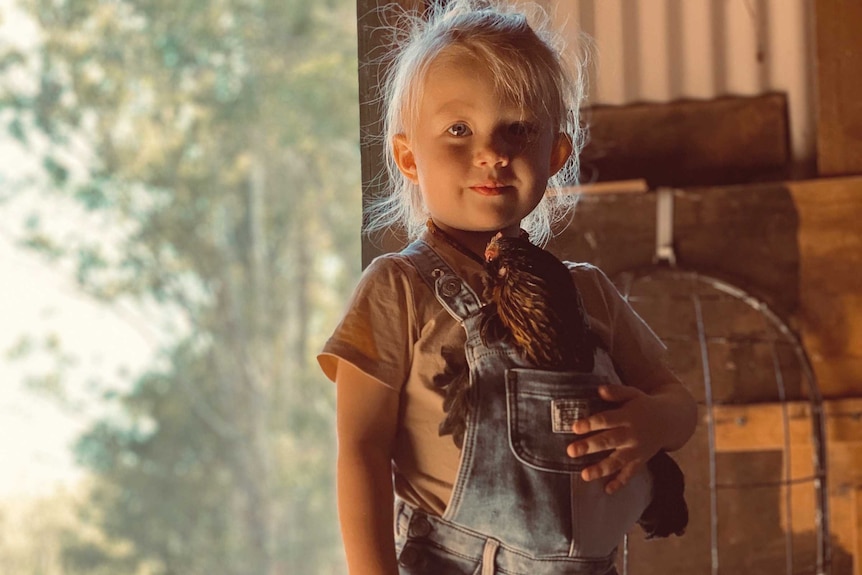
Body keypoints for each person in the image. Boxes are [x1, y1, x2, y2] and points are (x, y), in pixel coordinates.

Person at [317, 1, 698, 573]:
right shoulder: (397, 289)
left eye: (517, 128)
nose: (492, 152)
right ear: (407, 158)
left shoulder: (588, 294)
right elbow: (361, 450)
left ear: (556, 153)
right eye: (458, 129)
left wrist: (653, 424)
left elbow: (679, 406)